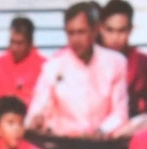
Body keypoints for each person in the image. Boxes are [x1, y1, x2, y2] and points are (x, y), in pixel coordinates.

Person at [27, 3, 129, 138]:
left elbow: (120, 112)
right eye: (71, 33)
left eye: (81, 32)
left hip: (104, 141)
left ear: (95, 31)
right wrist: (37, 119)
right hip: (64, 143)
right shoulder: (53, 67)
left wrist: (102, 131)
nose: (75, 39)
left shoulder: (115, 62)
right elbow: (37, 109)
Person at [99, 0, 147, 117]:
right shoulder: (91, 60)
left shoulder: (145, 63)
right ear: (101, 28)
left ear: (130, 30)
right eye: (110, 30)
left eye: (121, 31)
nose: (115, 37)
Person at [0, 17, 46, 106]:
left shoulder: (44, 67)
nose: (14, 48)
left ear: (30, 43)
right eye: (12, 42)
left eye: (19, 43)